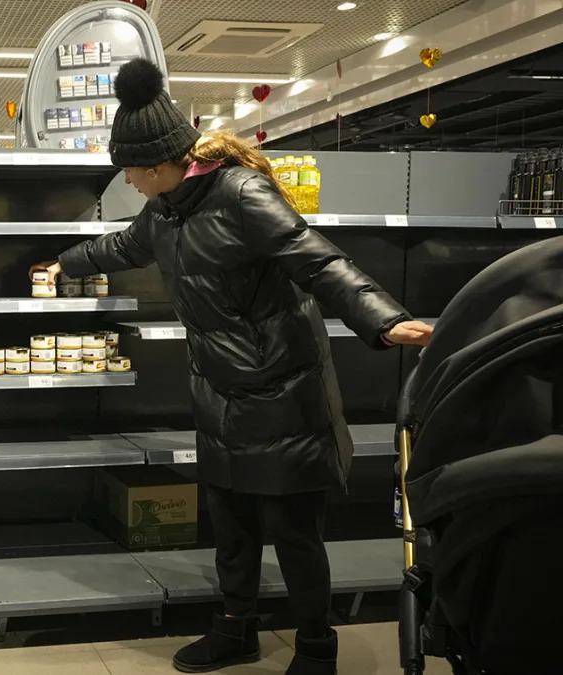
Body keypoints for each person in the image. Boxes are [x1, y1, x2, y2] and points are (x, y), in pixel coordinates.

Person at [31, 59, 433, 675]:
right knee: (232, 525)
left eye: (132, 173)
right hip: (218, 389)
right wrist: (66, 262)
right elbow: (125, 245)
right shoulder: (165, 208)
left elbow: (316, 259)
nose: (129, 182)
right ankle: (236, 630)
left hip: (284, 390)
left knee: (294, 532)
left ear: (161, 165)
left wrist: (379, 318)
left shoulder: (242, 194)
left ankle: (317, 648)